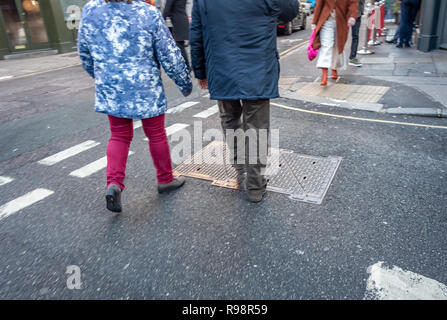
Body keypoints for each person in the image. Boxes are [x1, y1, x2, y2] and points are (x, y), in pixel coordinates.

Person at [78, 0, 192, 213]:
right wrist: (184, 82)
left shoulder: (91, 10)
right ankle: (165, 179)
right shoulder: (147, 12)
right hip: (145, 86)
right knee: (156, 134)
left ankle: (114, 184)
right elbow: (168, 53)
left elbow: (85, 53)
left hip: (113, 87)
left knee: (119, 135)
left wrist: (102, 77)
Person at [190, 0, 299, 203]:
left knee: (229, 116)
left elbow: (196, 34)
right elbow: (290, 11)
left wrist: (200, 71)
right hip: (258, 68)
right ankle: (255, 186)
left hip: (221, 67)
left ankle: (239, 161)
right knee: (257, 127)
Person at [311, 0, 359, 86]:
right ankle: (324, 74)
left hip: (341, 21)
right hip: (326, 20)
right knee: (326, 46)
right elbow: (319, 4)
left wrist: (352, 16)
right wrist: (314, 22)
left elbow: (353, 2)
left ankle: (335, 68)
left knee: (338, 46)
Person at [163, 0, 191, 71]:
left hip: (177, 22)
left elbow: (167, 9)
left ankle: (186, 67)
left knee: (179, 46)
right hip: (182, 20)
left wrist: (161, 20)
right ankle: (185, 66)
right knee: (179, 45)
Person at [349, 0, 366, 67]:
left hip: (357, 13)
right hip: (347, 13)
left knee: (355, 36)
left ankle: (353, 57)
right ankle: (337, 59)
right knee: (341, 36)